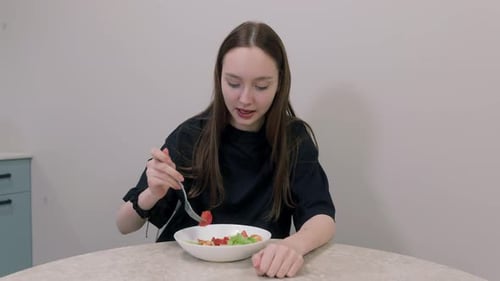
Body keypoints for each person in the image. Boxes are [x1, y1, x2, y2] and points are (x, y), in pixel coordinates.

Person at [116, 21, 336, 278]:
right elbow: (124, 224)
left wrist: (293, 246)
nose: (245, 99)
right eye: (233, 83)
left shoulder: (293, 139)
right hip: (185, 272)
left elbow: (322, 218)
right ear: (219, 78)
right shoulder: (191, 136)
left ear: (280, 83)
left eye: (261, 86)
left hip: (260, 271)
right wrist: (151, 193)